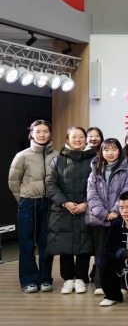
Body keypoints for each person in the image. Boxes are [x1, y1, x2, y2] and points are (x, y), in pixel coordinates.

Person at [9, 120, 58, 293]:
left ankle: (45, 279)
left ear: (50, 134)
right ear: (31, 133)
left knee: (47, 243)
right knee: (27, 243)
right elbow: (13, 181)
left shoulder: (57, 156)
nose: (42, 135)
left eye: (45, 131)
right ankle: (29, 280)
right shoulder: (22, 156)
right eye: (38, 131)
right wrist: (23, 200)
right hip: (28, 203)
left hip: (49, 204)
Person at [46, 126, 96, 294]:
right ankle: (68, 279)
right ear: (67, 139)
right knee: (64, 245)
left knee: (85, 244)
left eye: (81, 136)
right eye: (74, 137)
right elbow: (51, 185)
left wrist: (86, 203)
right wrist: (65, 203)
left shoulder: (95, 160)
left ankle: (81, 278)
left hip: (86, 209)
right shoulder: (58, 160)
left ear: (86, 139)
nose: (78, 140)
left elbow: (99, 184)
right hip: (63, 211)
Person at [86, 138, 128, 295]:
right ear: (101, 152)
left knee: (120, 250)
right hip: (100, 218)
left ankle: (121, 283)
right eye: (106, 150)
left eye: (114, 149)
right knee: (101, 252)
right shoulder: (95, 169)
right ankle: (101, 283)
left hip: (120, 216)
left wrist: (116, 211)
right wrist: (103, 214)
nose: (110, 153)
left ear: (120, 151)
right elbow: (91, 194)